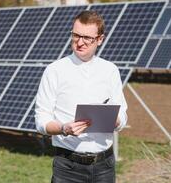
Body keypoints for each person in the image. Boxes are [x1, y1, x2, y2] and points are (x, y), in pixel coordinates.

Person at [35, 10, 128, 183]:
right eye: (76, 35)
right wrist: (64, 128)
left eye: (87, 38)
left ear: (100, 39)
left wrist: (113, 119)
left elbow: (122, 115)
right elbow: (41, 120)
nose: (80, 42)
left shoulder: (110, 70)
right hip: (67, 167)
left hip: (104, 166)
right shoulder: (54, 70)